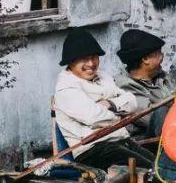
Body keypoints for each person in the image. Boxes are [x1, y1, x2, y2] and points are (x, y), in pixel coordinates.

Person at [54, 28, 155, 170]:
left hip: (120, 140)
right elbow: (93, 117)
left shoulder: (103, 77)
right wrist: (119, 115)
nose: (91, 63)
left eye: (94, 57)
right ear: (70, 62)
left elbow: (132, 102)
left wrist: (110, 104)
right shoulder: (66, 88)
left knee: (160, 166)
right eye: (84, 59)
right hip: (93, 150)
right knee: (150, 171)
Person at [114, 28, 176, 139]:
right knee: (161, 112)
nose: (162, 56)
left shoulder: (161, 76)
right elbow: (153, 118)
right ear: (145, 59)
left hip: (175, 128)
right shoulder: (123, 87)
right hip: (148, 142)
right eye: (158, 53)